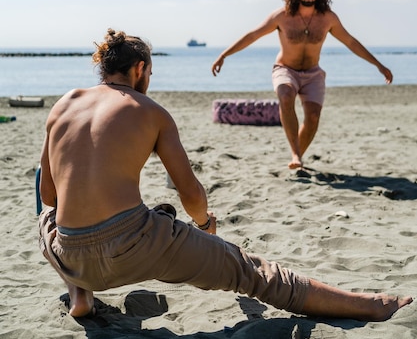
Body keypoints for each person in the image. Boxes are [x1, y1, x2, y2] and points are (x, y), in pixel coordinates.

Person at [39, 28, 411, 322]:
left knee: (44, 209)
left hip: (69, 253)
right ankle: (369, 305)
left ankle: (79, 293)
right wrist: (204, 225)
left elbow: (50, 195)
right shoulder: (151, 111)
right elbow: (191, 194)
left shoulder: (63, 105)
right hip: (136, 247)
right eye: (150, 72)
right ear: (139, 69)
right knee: (252, 273)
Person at [212, 0, 393, 170]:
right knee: (285, 93)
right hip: (285, 69)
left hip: (313, 73)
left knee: (313, 117)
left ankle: (296, 157)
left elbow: (351, 42)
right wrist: (224, 55)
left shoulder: (328, 18)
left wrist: (379, 65)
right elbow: (252, 35)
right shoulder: (282, 16)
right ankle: (296, 155)